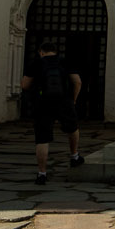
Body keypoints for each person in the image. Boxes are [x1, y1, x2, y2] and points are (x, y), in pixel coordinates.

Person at [20, 38, 83, 185]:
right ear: (55, 51)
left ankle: (42, 173)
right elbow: (77, 82)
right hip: (64, 101)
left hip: (43, 104)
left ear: (41, 52)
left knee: (42, 138)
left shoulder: (36, 63)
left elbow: (25, 85)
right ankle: (74, 156)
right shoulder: (64, 61)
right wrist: (73, 99)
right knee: (72, 128)